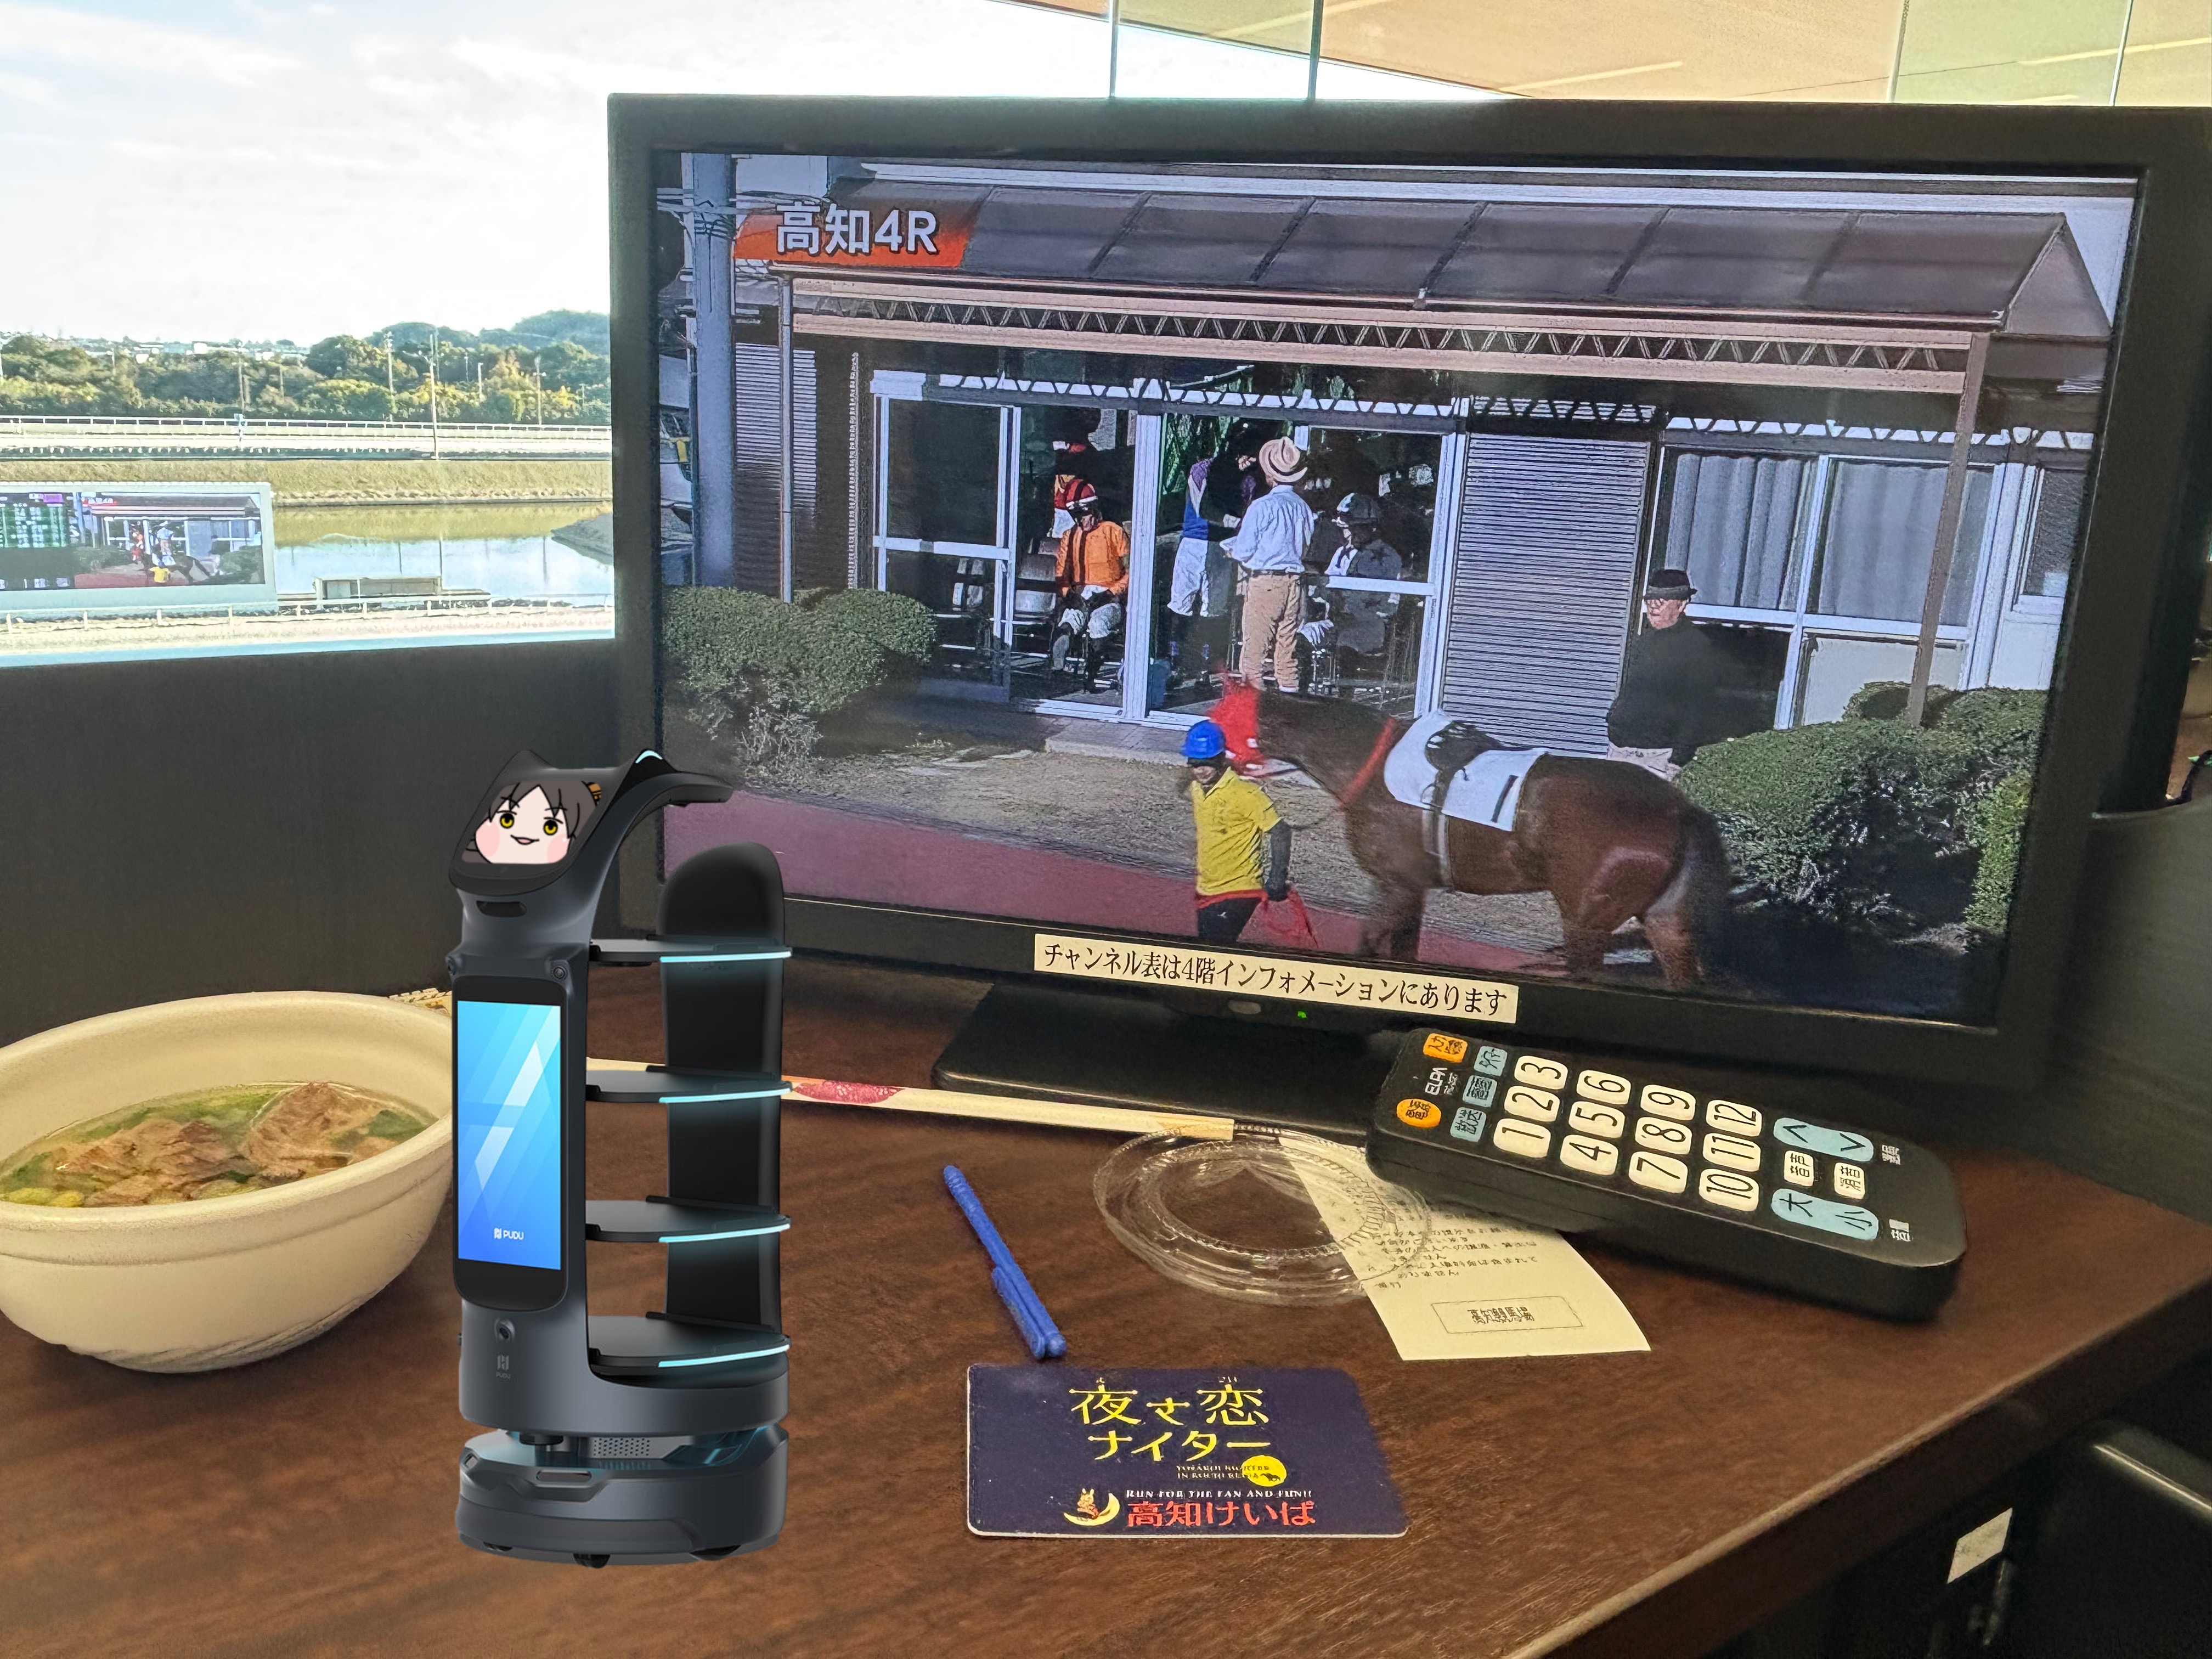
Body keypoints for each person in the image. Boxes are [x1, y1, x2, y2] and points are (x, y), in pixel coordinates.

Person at [1606, 567, 1728, 781]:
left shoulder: (1697, 647)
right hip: (1620, 750)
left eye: (1661, 601)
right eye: (1650, 601)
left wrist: (1678, 759)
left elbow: (1699, 707)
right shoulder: (1643, 642)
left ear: (1682, 604)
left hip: (1658, 757)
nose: (1653, 607)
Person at [1181, 719, 1291, 944]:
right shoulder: (1196, 789)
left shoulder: (1245, 794)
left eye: (1208, 763)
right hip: (1207, 887)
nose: (1200, 770)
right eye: (1195, 764)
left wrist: (1277, 878)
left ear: (1221, 759)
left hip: (1239, 889)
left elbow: (1281, 831)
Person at [1165, 429, 1260, 687]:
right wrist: (1237, 522)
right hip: (1195, 541)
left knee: (1214, 609)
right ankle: (1176, 663)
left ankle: (1205, 668)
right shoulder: (1202, 470)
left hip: (1223, 545)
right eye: (1245, 454)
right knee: (1181, 604)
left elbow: (1249, 509)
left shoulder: (1249, 479)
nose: (1249, 460)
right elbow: (1203, 508)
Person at [1231, 437, 1316, 690]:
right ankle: (1289, 701)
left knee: (1254, 653)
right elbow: (1305, 546)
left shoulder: (1262, 506)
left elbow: (1244, 550)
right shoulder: (1303, 508)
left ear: (1270, 476)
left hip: (1267, 582)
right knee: (1286, 652)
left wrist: (1233, 551)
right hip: (1295, 583)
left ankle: (1255, 708)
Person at [1051, 482, 1129, 689]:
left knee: (1098, 623)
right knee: (1069, 621)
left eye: (1083, 514)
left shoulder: (1114, 532)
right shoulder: (1070, 536)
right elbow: (1061, 573)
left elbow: (1132, 571)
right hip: (1080, 593)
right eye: (1076, 515)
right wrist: (1069, 595)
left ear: (1094, 509)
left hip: (1109, 595)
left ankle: (1091, 674)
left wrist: (1111, 593)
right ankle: (1057, 668)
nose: (1080, 520)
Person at [1322, 493, 1403, 687]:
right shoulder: (1342, 553)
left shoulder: (1387, 557)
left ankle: (1345, 693)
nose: (1348, 534)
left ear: (1371, 527)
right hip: (1336, 622)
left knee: (1347, 645)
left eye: (1353, 528)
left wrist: (1359, 609)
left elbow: (1390, 604)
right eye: (1345, 529)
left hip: (1368, 626)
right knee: (1302, 637)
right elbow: (1328, 584)